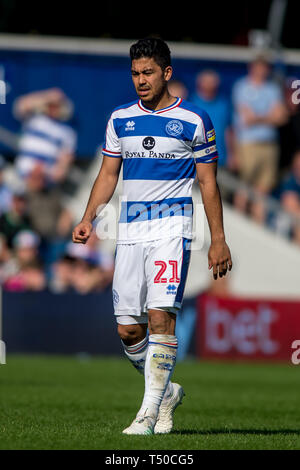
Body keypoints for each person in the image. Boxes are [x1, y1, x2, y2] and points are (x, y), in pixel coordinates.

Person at [72, 37, 232, 435]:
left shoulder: (195, 120)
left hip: (171, 230)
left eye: (147, 72)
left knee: (161, 317)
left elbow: (208, 184)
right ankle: (167, 392)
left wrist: (218, 239)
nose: (140, 80)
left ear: (167, 73)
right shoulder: (119, 119)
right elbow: (109, 174)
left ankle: (146, 416)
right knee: (128, 329)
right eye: (135, 74)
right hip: (129, 232)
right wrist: (89, 217)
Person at [232, 56, 287, 222]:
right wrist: (269, 117)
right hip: (248, 143)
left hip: (269, 144)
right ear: (252, 67)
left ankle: (257, 226)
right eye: (259, 66)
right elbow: (246, 116)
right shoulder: (242, 87)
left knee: (263, 191)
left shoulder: (272, 89)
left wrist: (258, 118)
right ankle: (238, 224)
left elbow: (281, 117)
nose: (262, 70)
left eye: (265, 67)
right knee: (244, 187)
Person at [13, 88, 77, 185]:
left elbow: (62, 167)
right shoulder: (34, 119)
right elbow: (21, 105)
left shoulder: (68, 133)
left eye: (57, 106)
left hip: (43, 184)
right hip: (20, 179)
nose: (53, 109)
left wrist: (43, 173)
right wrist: (47, 96)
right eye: (51, 105)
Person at [191, 70, 233, 168]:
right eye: (206, 81)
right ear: (199, 83)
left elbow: (229, 131)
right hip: (197, 160)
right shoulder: (191, 103)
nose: (209, 85)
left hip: (220, 159)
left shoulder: (224, 104)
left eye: (212, 81)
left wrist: (232, 154)